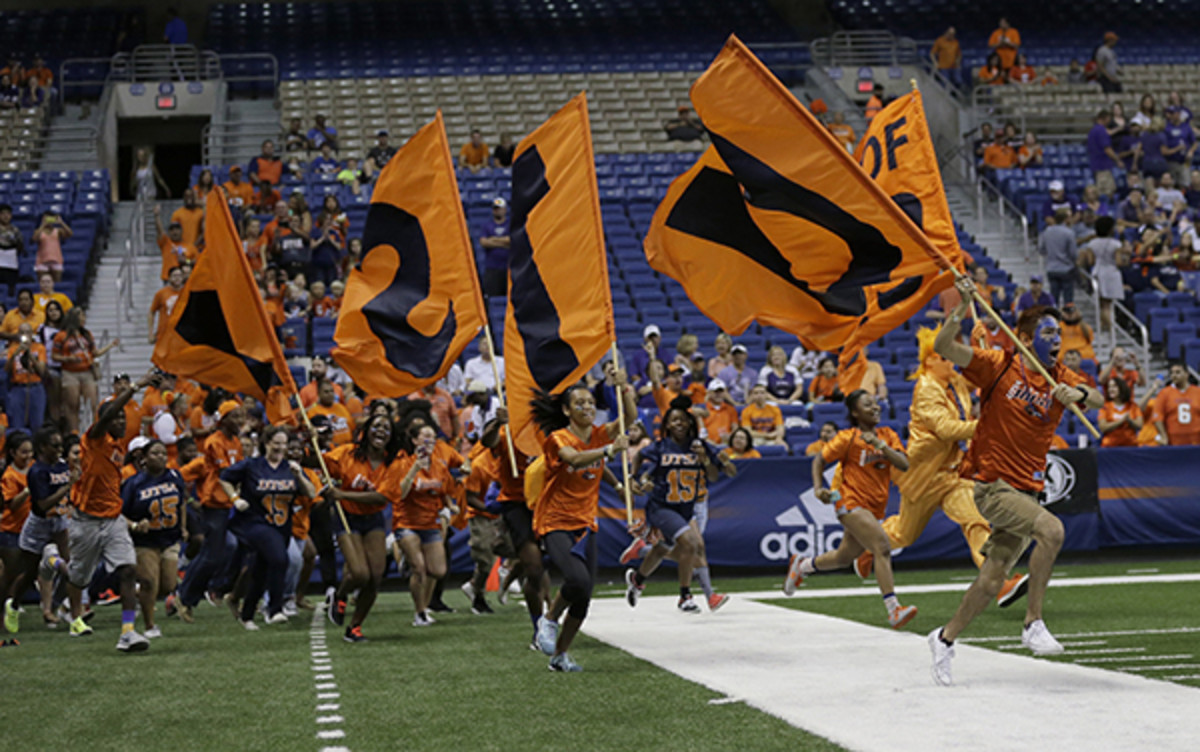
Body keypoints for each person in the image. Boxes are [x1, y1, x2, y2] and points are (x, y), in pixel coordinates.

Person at [927, 277, 1103, 686]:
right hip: (993, 485)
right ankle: (1032, 622)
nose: (1055, 338)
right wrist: (961, 306)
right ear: (1024, 337)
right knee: (1052, 530)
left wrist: (1076, 397)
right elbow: (943, 347)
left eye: (1058, 333)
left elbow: (1094, 397)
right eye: (1046, 332)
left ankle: (944, 639)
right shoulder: (998, 363)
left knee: (991, 581)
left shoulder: (1060, 374)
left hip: (1026, 489)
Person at [853, 328, 1029, 604]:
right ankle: (868, 547)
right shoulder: (925, 390)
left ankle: (999, 582)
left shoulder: (954, 381)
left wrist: (978, 346)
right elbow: (946, 429)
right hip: (923, 475)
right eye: (944, 357)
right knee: (903, 534)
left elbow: (983, 377)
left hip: (954, 472)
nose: (951, 361)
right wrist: (987, 426)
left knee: (976, 521)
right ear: (930, 361)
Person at [783, 390, 917, 628]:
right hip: (850, 502)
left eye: (875, 403)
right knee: (882, 547)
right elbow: (819, 460)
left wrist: (881, 446)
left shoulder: (888, 434)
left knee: (844, 557)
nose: (875, 407)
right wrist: (817, 488)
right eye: (867, 405)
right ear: (855, 412)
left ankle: (802, 565)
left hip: (875, 506)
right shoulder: (848, 437)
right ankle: (894, 609)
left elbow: (904, 464)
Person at [530, 378, 635, 672]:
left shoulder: (599, 434)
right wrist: (610, 451)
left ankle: (560, 656)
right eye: (579, 403)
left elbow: (629, 418)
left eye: (590, 402)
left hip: (585, 523)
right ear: (566, 410)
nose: (587, 407)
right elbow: (574, 460)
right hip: (555, 521)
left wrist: (624, 388)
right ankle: (548, 619)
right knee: (577, 581)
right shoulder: (558, 438)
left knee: (584, 597)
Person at [63, 369, 164, 651]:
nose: (121, 421)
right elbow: (106, 416)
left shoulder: (120, 444)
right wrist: (134, 388)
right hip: (86, 521)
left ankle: (128, 632)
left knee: (128, 569)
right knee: (78, 577)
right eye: (117, 417)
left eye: (123, 417)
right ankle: (54, 567)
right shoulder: (93, 439)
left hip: (112, 519)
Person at [624, 403, 736, 613]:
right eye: (674, 420)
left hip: (686, 508)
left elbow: (717, 475)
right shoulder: (660, 446)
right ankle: (685, 596)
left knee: (662, 549)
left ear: (690, 422)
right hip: (661, 506)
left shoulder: (700, 445)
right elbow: (639, 456)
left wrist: (705, 459)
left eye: (682, 419)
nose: (679, 423)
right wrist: (633, 478)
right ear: (666, 424)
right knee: (690, 543)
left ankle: (637, 578)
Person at [220, 426, 318, 629]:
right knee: (279, 559)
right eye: (277, 443)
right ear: (266, 443)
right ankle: (275, 609)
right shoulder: (252, 465)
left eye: (284, 443)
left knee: (260, 569)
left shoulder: (290, 468)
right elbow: (225, 478)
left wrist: (299, 475)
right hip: (254, 522)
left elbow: (311, 492)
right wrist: (235, 498)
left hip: (281, 526)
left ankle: (247, 615)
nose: (280, 447)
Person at [322, 413, 396, 642]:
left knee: (375, 577)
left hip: (373, 518)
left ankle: (354, 627)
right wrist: (309, 441)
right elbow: (317, 461)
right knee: (360, 573)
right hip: (347, 517)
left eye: (386, 427)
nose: (381, 430)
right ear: (366, 431)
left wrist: (341, 493)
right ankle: (340, 595)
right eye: (377, 426)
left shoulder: (393, 462)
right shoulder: (347, 453)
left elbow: (381, 497)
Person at [2, 428, 76, 642]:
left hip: (59, 521)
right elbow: (42, 505)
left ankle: (69, 612)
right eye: (55, 446)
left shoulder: (62, 465)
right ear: (43, 447)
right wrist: (67, 486)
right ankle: (13, 605)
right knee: (26, 572)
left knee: (71, 567)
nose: (60, 450)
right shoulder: (36, 472)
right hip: (35, 525)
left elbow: (66, 494)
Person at [383, 422, 458, 627]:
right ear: (415, 440)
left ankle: (406, 558)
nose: (430, 440)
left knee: (438, 570)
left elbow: (445, 490)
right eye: (425, 436)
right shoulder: (402, 463)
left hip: (430, 523)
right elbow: (400, 493)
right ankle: (420, 612)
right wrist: (415, 467)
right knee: (420, 569)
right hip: (406, 521)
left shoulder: (440, 466)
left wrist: (450, 505)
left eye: (433, 436)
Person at [176, 400, 245, 622]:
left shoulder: (236, 441)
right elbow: (227, 473)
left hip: (230, 504)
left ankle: (219, 589)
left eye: (241, 416)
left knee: (235, 547)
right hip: (215, 504)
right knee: (210, 556)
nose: (240, 421)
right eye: (235, 416)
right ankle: (185, 597)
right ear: (223, 420)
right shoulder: (214, 442)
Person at [121, 440, 187, 638]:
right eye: (155, 453)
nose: (161, 457)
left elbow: (181, 503)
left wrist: (183, 527)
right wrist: (134, 524)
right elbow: (119, 513)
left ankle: (141, 594)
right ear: (144, 458)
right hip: (145, 541)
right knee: (150, 581)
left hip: (169, 537)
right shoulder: (133, 483)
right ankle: (150, 625)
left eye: (164, 453)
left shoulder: (175, 476)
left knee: (167, 585)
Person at [54, 309, 116, 435]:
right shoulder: (61, 336)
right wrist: (67, 358)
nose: (83, 319)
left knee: (92, 402)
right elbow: (55, 356)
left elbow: (95, 353)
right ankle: (74, 431)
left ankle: (94, 429)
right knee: (73, 404)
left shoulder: (87, 334)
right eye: (81, 316)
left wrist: (110, 346)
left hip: (87, 370)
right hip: (70, 372)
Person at [0, 433, 34, 641]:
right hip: (11, 531)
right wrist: (30, 488)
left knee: (24, 575)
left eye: (30, 451)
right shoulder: (10, 476)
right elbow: (12, 505)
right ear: (12, 453)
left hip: (30, 530)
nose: (28, 455)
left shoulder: (34, 467)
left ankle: (10, 613)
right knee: (9, 578)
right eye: (24, 452)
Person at [6, 323, 47, 432]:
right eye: (22, 332)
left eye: (28, 332)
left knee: (37, 423)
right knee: (17, 422)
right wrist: (16, 353)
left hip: (36, 387)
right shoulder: (13, 349)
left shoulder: (39, 348)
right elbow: (7, 370)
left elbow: (42, 371)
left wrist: (30, 354)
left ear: (32, 334)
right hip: (18, 388)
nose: (25, 335)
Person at [1154, 362, 1200, 446]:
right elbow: (1157, 417)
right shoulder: (1165, 393)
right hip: (1173, 441)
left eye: (1178, 372)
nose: (1174, 375)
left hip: (1196, 441)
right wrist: (1164, 436)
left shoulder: (1197, 392)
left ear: (1187, 374)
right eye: (1172, 373)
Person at [478, 197, 511, 297]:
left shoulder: (510, 224)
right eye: (495, 209)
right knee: (492, 297)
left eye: (500, 208)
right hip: (492, 269)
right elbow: (484, 242)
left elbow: (511, 240)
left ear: (505, 209)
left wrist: (493, 239)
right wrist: (503, 243)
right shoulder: (487, 226)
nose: (497, 211)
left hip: (508, 268)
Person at [154, 204, 197, 281]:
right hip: (168, 279)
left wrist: (186, 261)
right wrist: (156, 216)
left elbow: (196, 261)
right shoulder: (166, 243)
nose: (175, 232)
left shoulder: (190, 246)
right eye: (172, 230)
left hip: (185, 280)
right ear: (169, 232)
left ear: (181, 231)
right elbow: (160, 231)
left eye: (177, 229)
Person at [1098, 377, 1142, 448]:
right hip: (1110, 447)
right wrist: (1121, 421)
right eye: (1109, 387)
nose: (1111, 389)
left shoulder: (1133, 406)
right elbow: (1103, 427)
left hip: (1130, 446)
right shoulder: (1105, 407)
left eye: (1114, 386)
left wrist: (1130, 420)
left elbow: (1140, 425)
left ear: (1122, 388)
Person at [148, 266, 185, 345]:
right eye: (175, 276)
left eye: (179, 276)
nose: (177, 278)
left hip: (182, 335)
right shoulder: (161, 294)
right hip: (164, 335)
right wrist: (151, 333)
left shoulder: (187, 293)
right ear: (169, 278)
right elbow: (151, 312)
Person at [32, 211, 71, 283]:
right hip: (42, 260)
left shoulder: (58, 231)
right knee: (43, 283)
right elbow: (34, 238)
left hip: (56, 259)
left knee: (57, 283)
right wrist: (42, 225)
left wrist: (61, 222)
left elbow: (69, 234)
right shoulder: (39, 231)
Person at [701, 379, 738, 445]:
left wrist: (731, 438)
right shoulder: (703, 410)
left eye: (721, 391)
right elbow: (701, 432)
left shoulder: (731, 409)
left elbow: (735, 428)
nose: (718, 394)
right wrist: (711, 444)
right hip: (708, 445)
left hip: (728, 444)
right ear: (709, 393)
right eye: (715, 392)